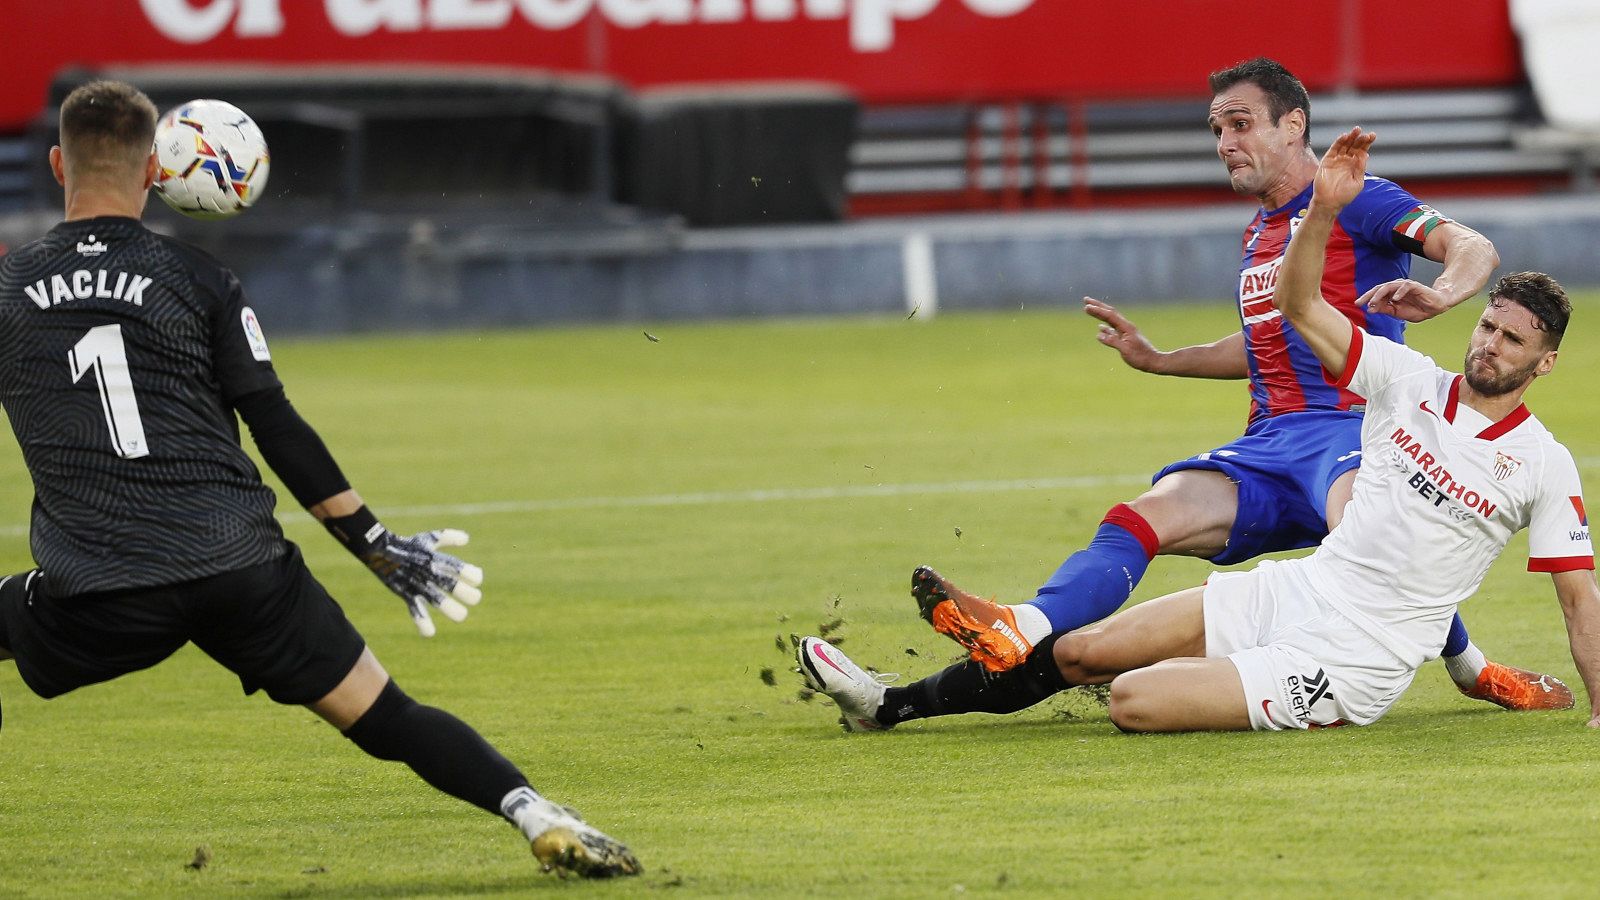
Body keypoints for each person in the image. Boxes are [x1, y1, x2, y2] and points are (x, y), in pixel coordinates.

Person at [0, 81, 639, 879]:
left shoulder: (8, 289)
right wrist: (373, 543)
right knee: (388, 717)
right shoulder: (199, 279)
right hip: (243, 571)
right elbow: (277, 425)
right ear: (152, 173)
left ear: (58, 163)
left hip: (104, 587)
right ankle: (532, 810)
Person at [800, 127, 1600, 733]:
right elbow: (1279, 328)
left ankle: (1467, 667)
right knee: (1100, 617)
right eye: (1216, 125)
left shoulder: (1533, 455)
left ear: (1293, 126)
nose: (1225, 141)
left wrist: (1446, 289)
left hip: (1342, 492)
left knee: (1133, 691)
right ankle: (900, 698)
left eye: (1240, 122)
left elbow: (1472, 245)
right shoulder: (1325, 301)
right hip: (1281, 504)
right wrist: (1162, 358)